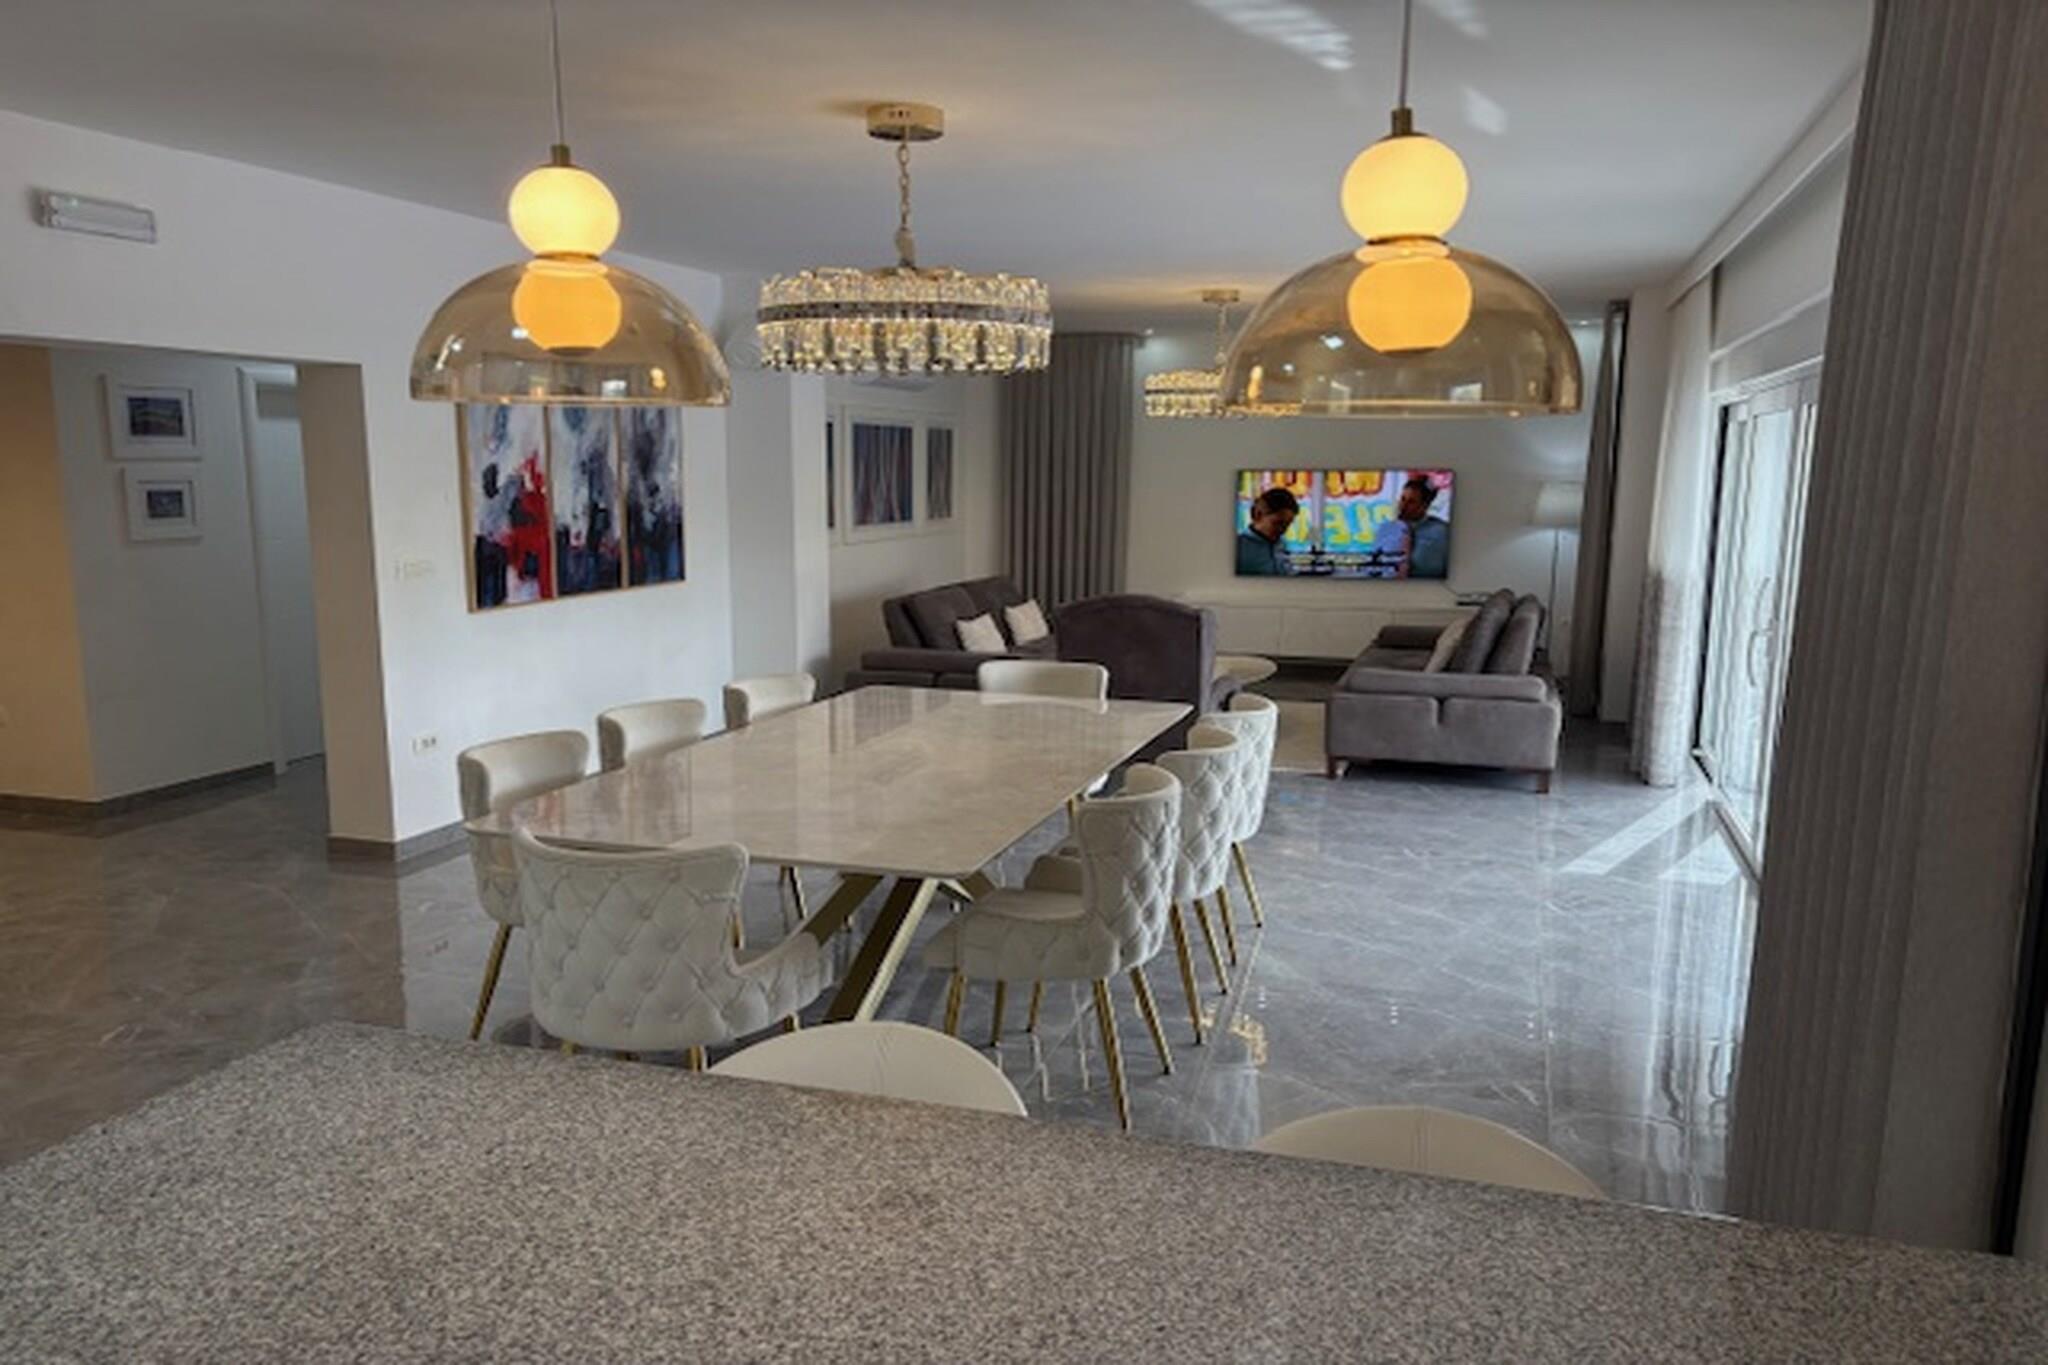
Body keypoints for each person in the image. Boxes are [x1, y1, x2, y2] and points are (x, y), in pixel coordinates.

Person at [1236, 486, 1299, 576]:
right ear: (1258, 515)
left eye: (1288, 524)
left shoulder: (1281, 543)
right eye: (1278, 523)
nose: (1283, 530)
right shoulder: (1238, 547)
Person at [1397, 475, 1450, 579]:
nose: (1403, 506)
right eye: (1403, 499)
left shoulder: (1441, 532)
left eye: (1411, 502)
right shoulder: (1388, 529)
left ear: (1424, 506)